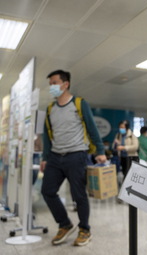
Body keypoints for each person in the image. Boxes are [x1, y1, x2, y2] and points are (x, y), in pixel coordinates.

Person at [40, 70, 106, 246]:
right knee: (47, 191)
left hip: (76, 155)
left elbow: (92, 128)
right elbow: (47, 136)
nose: (51, 87)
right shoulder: (50, 109)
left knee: (79, 195)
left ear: (65, 84)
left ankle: (85, 229)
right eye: (50, 84)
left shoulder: (79, 103)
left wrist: (100, 150)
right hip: (55, 156)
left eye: (54, 82)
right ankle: (65, 224)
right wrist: (45, 158)